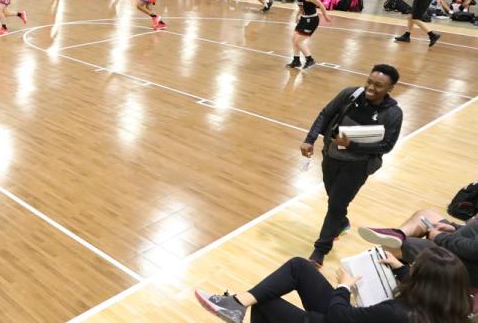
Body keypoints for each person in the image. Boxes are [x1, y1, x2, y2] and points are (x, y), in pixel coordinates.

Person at [194, 247, 471, 323]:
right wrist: (401, 271)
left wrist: (344, 287)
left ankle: (238, 305)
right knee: (299, 266)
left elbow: (340, 316)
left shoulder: (398, 313)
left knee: (267, 304)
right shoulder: (457, 310)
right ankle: (236, 304)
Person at [300, 64, 403, 266]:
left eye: (379, 86)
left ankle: (320, 250)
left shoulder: (393, 114)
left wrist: (352, 144)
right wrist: (310, 139)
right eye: (370, 82)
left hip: (357, 167)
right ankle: (342, 222)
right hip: (330, 157)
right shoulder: (350, 94)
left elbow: (387, 146)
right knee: (334, 198)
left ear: (390, 89)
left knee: (337, 204)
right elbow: (325, 114)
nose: (371, 88)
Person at [359, 208, 478, 287]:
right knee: (426, 214)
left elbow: (473, 250)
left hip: (462, 264)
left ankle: (365, 283)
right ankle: (397, 234)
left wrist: (440, 237)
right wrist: (454, 228)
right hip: (459, 243)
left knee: (390, 249)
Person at [286, 0, 332, 69]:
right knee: (294, 38)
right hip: (303, 19)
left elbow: (321, 4)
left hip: (312, 20)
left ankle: (310, 59)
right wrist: (296, 16)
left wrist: (325, 16)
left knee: (298, 41)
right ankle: (296, 61)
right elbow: (301, 7)